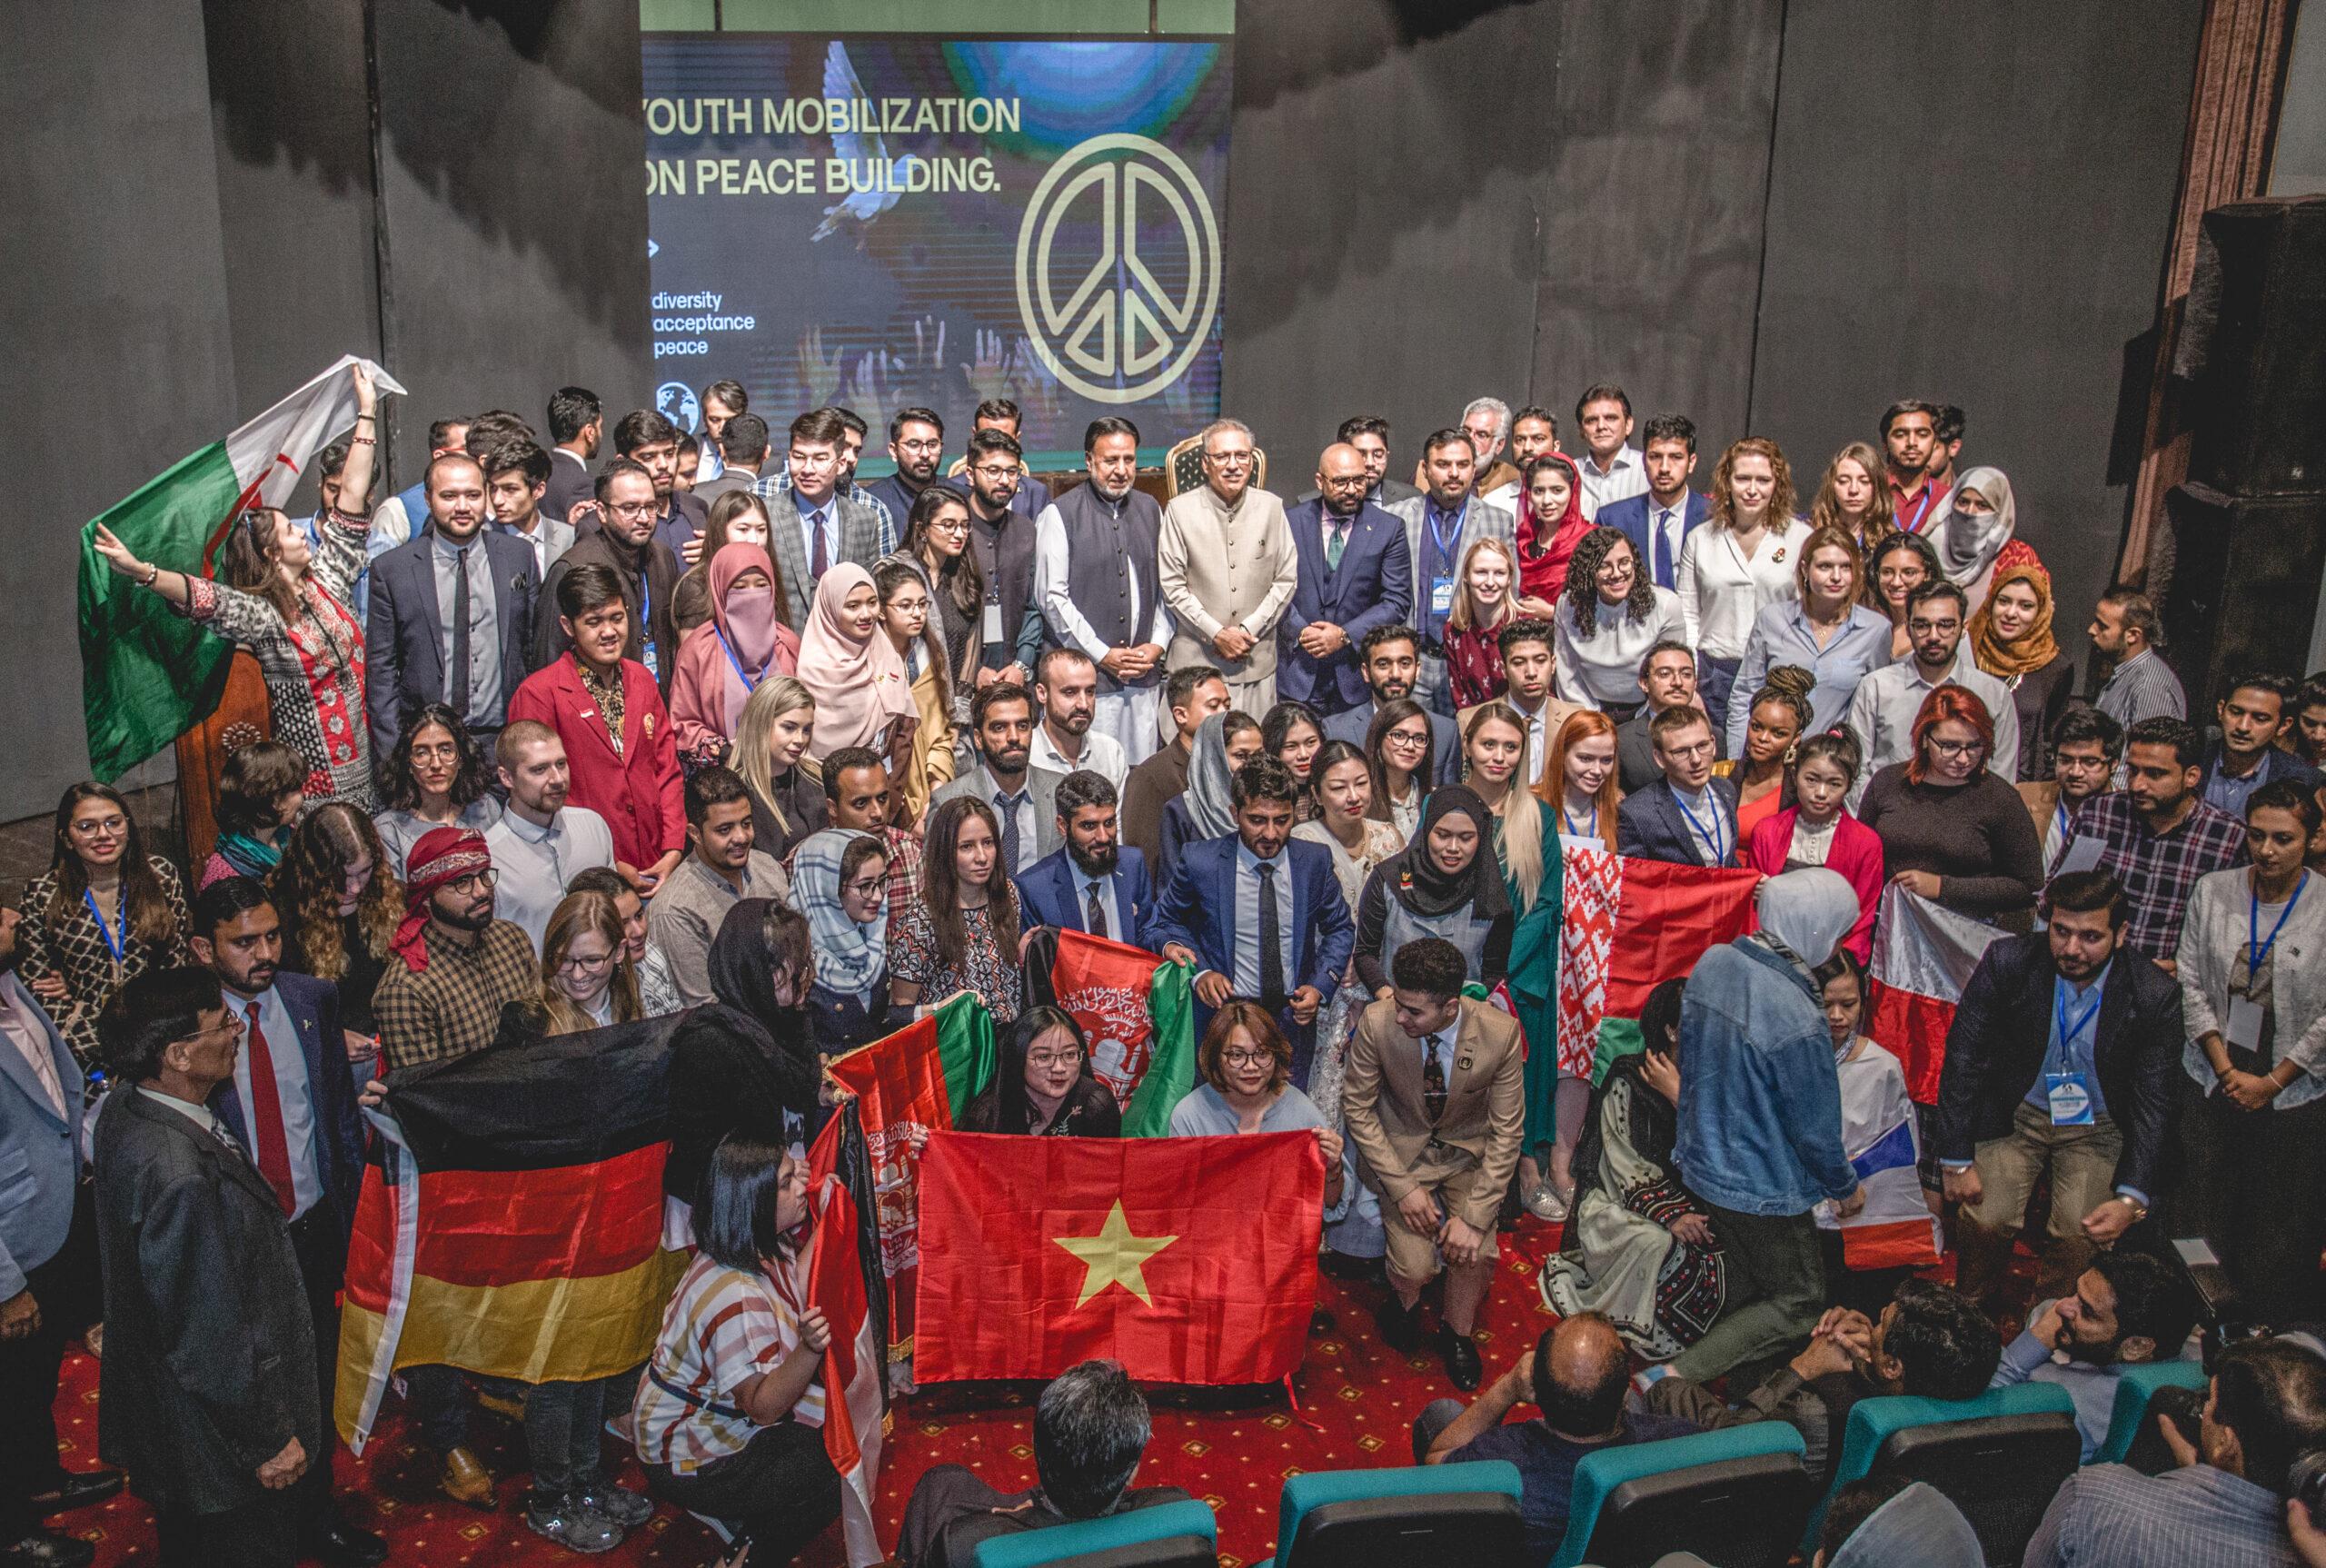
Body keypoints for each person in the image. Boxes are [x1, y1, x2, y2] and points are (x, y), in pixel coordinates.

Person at [89, 969, 323, 1568]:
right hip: (214, 1443)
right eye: (222, 1023)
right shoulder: (179, 1174)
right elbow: (207, 1332)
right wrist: (268, 1439)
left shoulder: (126, 1105)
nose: (237, 1028)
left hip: (172, 1420)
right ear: (179, 1055)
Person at [185, 878, 383, 1568]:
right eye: (244, 942)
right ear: (202, 947)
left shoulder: (311, 1000)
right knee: (249, 1385)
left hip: (312, 1227)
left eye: (272, 936)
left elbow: (333, 1115)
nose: (264, 953)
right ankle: (255, 1526)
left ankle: (316, 1516)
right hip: (236, 1243)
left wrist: (358, 1219)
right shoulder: (189, 1028)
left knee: (318, 1375)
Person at [94, 372, 378, 805]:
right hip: (313, 786)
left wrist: (367, 413)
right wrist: (142, 572)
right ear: (271, 554)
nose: (304, 534)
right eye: (289, 533)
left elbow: (353, 495)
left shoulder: (332, 579)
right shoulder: (265, 618)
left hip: (367, 769)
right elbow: (205, 597)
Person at [1936, 869, 2182, 1307]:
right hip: (2017, 1113)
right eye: (2061, 931)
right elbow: (1964, 1057)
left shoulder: (2152, 993)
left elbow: (2156, 1102)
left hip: (2099, 1125)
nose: (2071, 949)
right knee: (1986, 1217)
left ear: (2120, 934)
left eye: (2090, 937)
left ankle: (2053, 1324)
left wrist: (2131, 1198)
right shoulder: (2007, 962)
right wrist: (1955, 1158)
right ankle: (1966, 1311)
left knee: (2081, 1231)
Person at [1668, 868, 1866, 1384]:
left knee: (1743, 1279)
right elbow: (1815, 1127)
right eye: (1837, 932)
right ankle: (1668, 1381)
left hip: (1701, 1160)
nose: (1836, 944)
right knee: (1798, 1301)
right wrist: (1843, 1185)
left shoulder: (1715, 961)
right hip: (1762, 1184)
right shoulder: (1798, 1015)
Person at [631, 1140, 842, 1559]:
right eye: (786, 1183)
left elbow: (790, 1290)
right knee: (835, 1463)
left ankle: (741, 1511)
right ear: (754, 1202)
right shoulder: (734, 1296)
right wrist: (809, 1349)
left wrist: (826, 1224)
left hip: (705, 1420)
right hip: (687, 1451)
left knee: (838, 1421)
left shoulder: (754, 1244)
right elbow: (763, 1407)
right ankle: (751, 1553)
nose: (802, 1186)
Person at [1341, 937, 1525, 1388]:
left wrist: (1476, 1218)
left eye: (1413, 1011)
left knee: (1476, 1252)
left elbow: (1506, 1133)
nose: (1400, 1016)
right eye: (1398, 1004)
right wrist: (1402, 1188)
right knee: (1414, 1268)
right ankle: (1403, 1301)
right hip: (1402, 1155)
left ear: (1449, 1007)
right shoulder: (1377, 1023)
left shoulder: (1500, 1034)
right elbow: (1358, 1109)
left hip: (1467, 1156)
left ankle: (1457, 1332)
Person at [2175, 781, 2326, 1323]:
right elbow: (2191, 981)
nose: (2266, 850)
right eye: (2256, 835)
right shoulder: (2214, 890)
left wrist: (2274, 1081)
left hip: (2292, 1086)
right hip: (2216, 1070)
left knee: (2277, 1217)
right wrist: (2225, 1068)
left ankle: (2262, 1326)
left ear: (2311, 838)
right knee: (2205, 1205)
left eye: (2283, 838)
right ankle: (2200, 1316)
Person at [1641, 1279, 2003, 1494]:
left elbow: (1733, 1443)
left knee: (1672, 1392)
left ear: (1894, 1366)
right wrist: (1871, 1357)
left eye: (1880, 1323)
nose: (1871, 1327)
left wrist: (1802, 1367)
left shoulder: (1813, 1410)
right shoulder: (1963, 1377)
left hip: (1765, 1492)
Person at [0, 905, 115, 1568]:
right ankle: (13, 1531)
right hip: (14, 1245)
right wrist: (6, 1287)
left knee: (37, 1379)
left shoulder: (15, 987)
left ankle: (41, 1480)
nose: (14, 914)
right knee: (8, 1393)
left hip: (58, 1214)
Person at [1411, 1313, 1701, 1563]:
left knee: (1443, 1412)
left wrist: (1508, 1387)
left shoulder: (1502, 1457)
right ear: (1626, 1392)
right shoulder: (1679, 1440)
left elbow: (1436, 1461)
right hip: (1623, 1548)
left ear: (1535, 1391)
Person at [1540, 979, 1725, 1359]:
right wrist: (1672, 1214)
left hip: (1709, 1200)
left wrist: (1679, 1098)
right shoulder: (1631, 1078)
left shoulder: (1721, 1079)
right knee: (1657, 1244)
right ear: (1672, 1030)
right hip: (1620, 1200)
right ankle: (1617, 1350)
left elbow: (1726, 1151)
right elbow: (1623, 1162)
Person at [2024, 1335, 2326, 1568]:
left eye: (2209, 1400)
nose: (2203, 1409)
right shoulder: (2312, 1553)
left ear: (2226, 1444)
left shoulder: (2093, 1497)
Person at [1151, 758, 1356, 1087]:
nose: (1270, 833)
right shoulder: (1200, 861)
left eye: (1282, 820)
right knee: (1223, 1129)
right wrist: (1200, 971)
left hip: (1292, 1019)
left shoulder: (1314, 861)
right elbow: (1162, 921)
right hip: (1222, 1019)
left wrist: (1320, 985)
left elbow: (1340, 928)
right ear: (1235, 814)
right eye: (1257, 820)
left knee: (1284, 1128)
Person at [897, 1359, 1193, 1568]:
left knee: (943, 1482)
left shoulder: (964, 1544)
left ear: (1036, 1451)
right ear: (1133, 1471)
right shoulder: (1180, 1516)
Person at [508, 564, 687, 896]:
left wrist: (674, 847)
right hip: (585, 870)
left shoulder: (642, 680)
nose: (609, 631)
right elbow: (542, 794)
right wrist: (609, 860)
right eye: (594, 622)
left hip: (657, 861)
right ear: (568, 626)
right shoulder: (539, 693)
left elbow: (667, 770)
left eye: (617, 618)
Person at [1295, 740, 1405, 1246]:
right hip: (1329, 994)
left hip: (1383, 990)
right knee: (1330, 1106)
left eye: (1361, 783)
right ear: (1316, 794)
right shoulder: (1303, 840)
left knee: (1382, 1108)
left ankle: (1371, 1233)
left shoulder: (1389, 836)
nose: (1353, 796)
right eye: (1338, 787)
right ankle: (1317, 1230)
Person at [363, 449, 539, 763]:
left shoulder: (518, 556)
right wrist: (392, 756)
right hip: (425, 744)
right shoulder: (392, 570)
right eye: (449, 496)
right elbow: (381, 672)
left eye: (473, 495)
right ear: (428, 499)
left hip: (503, 741)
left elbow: (532, 648)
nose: (462, 506)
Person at [1462, 703, 1565, 1196]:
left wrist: (1500, 970)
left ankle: (1528, 1166)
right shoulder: (1445, 805)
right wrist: (1472, 970)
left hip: (1520, 970)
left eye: (1511, 747)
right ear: (1468, 747)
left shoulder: (1537, 814)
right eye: (1489, 744)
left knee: (1521, 1078)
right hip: (1461, 967)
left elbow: (1546, 903)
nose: (1499, 756)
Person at [1031, 416, 1171, 764]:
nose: (1121, 470)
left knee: (1139, 776)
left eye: (1129, 460)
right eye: (1111, 460)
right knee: (1092, 775)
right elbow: (1052, 598)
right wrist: (1100, 653)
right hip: (1090, 683)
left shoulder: (1151, 508)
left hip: (1144, 677)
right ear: (1089, 461)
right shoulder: (1059, 514)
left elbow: (1167, 587)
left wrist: (1157, 644)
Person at [18, 781, 190, 1063]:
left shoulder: (161, 877)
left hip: (157, 1040)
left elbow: (174, 971)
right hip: (85, 1052)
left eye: (114, 823)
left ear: (128, 827)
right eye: (87, 827)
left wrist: (150, 1037)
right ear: (66, 838)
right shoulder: (42, 894)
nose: (104, 835)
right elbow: (41, 991)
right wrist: (103, 1043)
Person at [664, 903, 820, 1208]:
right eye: (801, 963)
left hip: (782, 1201)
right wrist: (775, 1170)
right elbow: (707, 1159)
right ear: (774, 976)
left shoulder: (786, 1020)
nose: (809, 973)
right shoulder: (708, 1045)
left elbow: (801, 1085)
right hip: (730, 1217)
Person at [1991, 1249, 2202, 1461]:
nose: (2061, 1307)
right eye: (2075, 1293)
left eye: (2087, 1312)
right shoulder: (2196, 1357)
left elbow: (1978, 1414)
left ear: (2137, 1346)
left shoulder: (2072, 1401)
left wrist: (2038, 1338)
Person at [1857, 684, 2043, 920]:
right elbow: (1860, 856)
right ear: (1925, 739)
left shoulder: (1999, 798)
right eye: (1949, 746)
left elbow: (2028, 886)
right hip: (1889, 925)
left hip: (1962, 932)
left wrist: (1941, 887)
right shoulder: (1888, 783)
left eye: (1975, 746)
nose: (1964, 758)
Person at [2075, 716, 2251, 967]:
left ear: (2191, 777)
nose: (2137, 785)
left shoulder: (2227, 837)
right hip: (2096, 967)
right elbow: (2059, 891)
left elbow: (2237, 928)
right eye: (2133, 770)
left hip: (2170, 980)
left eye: (2155, 774)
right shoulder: (2098, 815)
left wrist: (2187, 971)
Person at [1159, 418, 1297, 716]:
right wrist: (1217, 633)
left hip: (1255, 663)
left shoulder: (1272, 508)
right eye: (1222, 457)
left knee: (1253, 757)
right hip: (1195, 665)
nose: (1233, 465)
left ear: (1252, 461)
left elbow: (1286, 580)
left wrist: (1248, 630)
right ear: (1206, 464)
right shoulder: (1179, 511)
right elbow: (1172, 586)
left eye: (1241, 456)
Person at [373, 826, 538, 1075]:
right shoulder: (406, 989)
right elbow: (424, 1097)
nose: (482, 891)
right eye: (462, 882)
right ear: (427, 898)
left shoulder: (512, 939)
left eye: (484, 875)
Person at [1810, 950, 1923, 1314]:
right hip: (1799, 1208)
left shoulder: (1882, 1066)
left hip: (1861, 1207)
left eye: (1849, 1003)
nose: (1837, 1017)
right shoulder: (1786, 1060)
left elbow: (1903, 1149)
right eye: (1826, 1004)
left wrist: (1850, 1180)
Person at [1843, 579, 2022, 805]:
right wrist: (1873, 821)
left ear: (1964, 628)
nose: (1934, 636)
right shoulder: (1876, 687)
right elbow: (1855, 769)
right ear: (1908, 627)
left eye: (1945, 625)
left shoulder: (1993, 694)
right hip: (1888, 823)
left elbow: (2001, 779)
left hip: (1964, 825)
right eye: (1922, 625)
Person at [1676, 436, 1810, 732]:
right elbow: (1687, 614)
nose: (1752, 489)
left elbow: (1807, 613)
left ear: (1777, 484)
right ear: (1727, 482)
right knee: (1718, 763)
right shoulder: (1701, 537)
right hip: (1715, 673)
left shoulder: (1799, 537)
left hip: (1777, 671)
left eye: (1763, 480)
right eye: (1742, 478)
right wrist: (1691, 679)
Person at [1727, 526, 1891, 756]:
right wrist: (1737, 761)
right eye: (1825, 566)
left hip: (1830, 765)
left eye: (1846, 567)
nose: (1836, 577)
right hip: (1768, 761)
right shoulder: (1772, 619)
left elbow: (1875, 709)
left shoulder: (1875, 630)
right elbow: (1745, 694)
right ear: (1805, 568)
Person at [1387, 428, 1520, 712]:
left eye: (1462, 465)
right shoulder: (1397, 516)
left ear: (1474, 468)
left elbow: (1511, 593)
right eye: (1443, 465)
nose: (1454, 473)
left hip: (1467, 660)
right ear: (1425, 468)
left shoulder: (1498, 520)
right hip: (1414, 659)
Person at [1277, 441, 1413, 717]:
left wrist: (1345, 635)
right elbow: (1272, 587)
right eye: (1340, 482)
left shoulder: (1389, 528)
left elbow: (1396, 601)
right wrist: (1301, 631)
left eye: (1358, 480)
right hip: (1298, 673)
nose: (1351, 490)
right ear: (1320, 480)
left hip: (1354, 676)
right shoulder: (1290, 521)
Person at [1167, 1003, 1346, 1204]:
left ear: (1276, 1055)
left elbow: (1330, 1203)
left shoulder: (1301, 1111)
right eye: (1236, 1055)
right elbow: (1179, 1204)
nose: (1251, 1067)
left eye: (1262, 1054)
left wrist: (1334, 1169)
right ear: (1216, 1056)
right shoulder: (1189, 1114)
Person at [534, 458, 682, 697]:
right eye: (630, 508)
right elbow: (549, 660)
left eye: (650, 507)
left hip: (655, 702)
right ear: (602, 512)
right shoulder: (573, 566)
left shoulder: (662, 556)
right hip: (597, 708)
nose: (644, 518)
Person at [1351, 787, 1515, 997]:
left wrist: (1473, 1003)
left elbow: (1495, 972)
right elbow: (1366, 952)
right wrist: (1385, 994)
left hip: (1461, 1018)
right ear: (1427, 830)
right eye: (1443, 835)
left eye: (1466, 837)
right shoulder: (1389, 879)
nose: (1453, 847)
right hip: (1395, 1012)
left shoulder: (1489, 892)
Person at [649, 766, 789, 1007]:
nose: (742, 837)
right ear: (695, 834)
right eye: (725, 830)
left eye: (746, 823)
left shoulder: (767, 867)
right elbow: (703, 1007)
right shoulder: (675, 910)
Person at [270, 802, 400, 1056]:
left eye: (364, 872)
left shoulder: (385, 895)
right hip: (321, 1052)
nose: (355, 888)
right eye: (340, 878)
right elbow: (278, 1010)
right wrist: (331, 1037)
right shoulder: (282, 916)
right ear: (313, 871)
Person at [1747, 729, 1884, 962]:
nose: (1821, 793)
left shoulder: (1865, 843)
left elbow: (1862, 918)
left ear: (1849, 785)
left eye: (1834, 784)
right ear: (1794, 775)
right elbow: (1752, 910)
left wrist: (1839, 966)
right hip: (1770, 955)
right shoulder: (1767, 831)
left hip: (1834, 960)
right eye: (1811, 780)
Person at [481, 720, 615, 952]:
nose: (557, 779)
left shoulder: (593, 826)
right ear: (506, 777)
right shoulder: (490, 857)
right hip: (533, 985)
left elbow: (614, 912)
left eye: (561, 764)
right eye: (539, 769)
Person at [890, 797, 1024, 1025]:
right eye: (967, 846)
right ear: (946, 852)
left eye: (988, 843)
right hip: (956, 1050)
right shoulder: (920, 921)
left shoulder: (1008, 894)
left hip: (1010, 1044)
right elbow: (899, 1015)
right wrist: (944, 1008)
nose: (982, 857)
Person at [669, 541, 800, 767]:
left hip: (783, 774)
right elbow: (682, 725)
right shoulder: (699, 649)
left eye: (761, 585)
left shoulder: (788, 644)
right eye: (739, 587)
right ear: (720, 590)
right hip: (723, 780)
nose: (752, 595)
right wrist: (728, 752)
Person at [755, 409, 888, 629]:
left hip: (846, 652)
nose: (807, 469)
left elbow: (871, 593)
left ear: (841, 464)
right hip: (782, 651)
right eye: (798, 457)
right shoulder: (765, 516)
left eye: (820, 458)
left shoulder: (865, 520)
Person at [934, 681, 1064, 878]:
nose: (1013, 737)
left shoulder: (1060, 792)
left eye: (1022, 725)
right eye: (999, 727)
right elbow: (937, 882)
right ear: (978, 738)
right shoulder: (947, 801)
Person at [1554, 526, 1685, 715]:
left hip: (1649, 710)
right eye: (1604, 565)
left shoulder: (1666, 605)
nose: (1616, 573)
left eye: (1624, 562)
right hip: (1588, 710)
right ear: (1588, 570)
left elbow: (1671, 674)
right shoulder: (1568, 605)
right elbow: (1567, 674)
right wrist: (1591, 718)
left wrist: (1646, 719)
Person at [955, 427, 1047, 690]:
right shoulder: (953, 530)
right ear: (970, 475)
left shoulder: (1026, 530)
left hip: (1016, 675)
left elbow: (1035, 606)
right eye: (993, 471)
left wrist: (1022, 665)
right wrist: (972, 669)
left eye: (1011, 471)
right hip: (960, 675)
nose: (1004, 480)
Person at [1966, 561, 2076, 781]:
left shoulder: (2055, 667)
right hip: (1958, 773)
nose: (2010, 613)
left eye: (2025, 606)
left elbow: (2049, 737)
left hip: (2017, 783)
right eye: (2004, 601)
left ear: (2041, 612)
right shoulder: (1968, 648)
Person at [1014, 770, 1152, 943]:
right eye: (1089, 826)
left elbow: (1148, 929)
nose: (1103, 837)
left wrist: (1167, 946)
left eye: (1109, 823)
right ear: (1063, 826)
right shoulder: (1035, 888)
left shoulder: (1132, 864)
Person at [790, 829, 892, 1058]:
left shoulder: (872, 934)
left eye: (883, 882)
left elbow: (881, 1021)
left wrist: (935, 1009)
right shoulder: (795, 958)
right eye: (865, 886)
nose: (878, 896)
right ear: (827, 888)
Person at [1321, 623, 1464, 784]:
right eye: (1383, 664)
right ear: (1366, 672)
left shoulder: (1445, 732)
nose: (1395, 674)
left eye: (1405, 664)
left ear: (1417, 671)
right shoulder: (1336, 731)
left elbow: (1451, 801)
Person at [1119, 667, 1233, 868]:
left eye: (1227, 704)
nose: (1224, 714)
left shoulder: (1230, 767)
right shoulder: (1151, 776)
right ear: (1180, 715)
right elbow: (1144, 856)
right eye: (1213, 706)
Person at [371, 703, 501, 878]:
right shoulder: (389, 831)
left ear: (461, 758)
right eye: (422, 753)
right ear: (408, 763)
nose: (436, 764)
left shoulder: (486, 808)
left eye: (446, 750)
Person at [875, 558, 958, 822]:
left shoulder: (928, 656)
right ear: (881, 611)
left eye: (923, 604)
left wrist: (936, 795)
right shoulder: (869, 662)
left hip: (928, 789)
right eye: (905, 605)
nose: (917, 613)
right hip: (883, 791)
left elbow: (939, 735)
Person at [896, 485, 985, 727]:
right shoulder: (896, 574)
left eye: (965, 525)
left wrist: (958, 716)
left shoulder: (965, 579)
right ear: (922, 529)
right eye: (948, 525)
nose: (959, 534)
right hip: (905, 709)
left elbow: (970, 654)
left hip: (951, 716)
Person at [808, 747, 926, 929]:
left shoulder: (910, 854)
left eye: (882, 799)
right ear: (832, 807)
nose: (878, 813)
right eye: (861, 803)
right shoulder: (808, 862)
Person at [959, 1006, 1119, 1136]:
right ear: (1019, 1058)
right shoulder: (989, 1112)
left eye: (1070, 1055)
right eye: (1044, 1057)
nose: (1059, 1068)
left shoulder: (1096, 1104)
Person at [1443, 539, 1558, 710]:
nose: (1490, 582)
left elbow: (1541, 693)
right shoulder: (1454, 631)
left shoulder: (1528, 625)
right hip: (1477, 725)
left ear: (1510, 579)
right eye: (1481, 572)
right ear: (1466, 575)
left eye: (1499, 573)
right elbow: (1460, 700)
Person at [1598, 413, 1709, 591]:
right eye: (1655, 457)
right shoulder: (1613, 519)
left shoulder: (1714, 516)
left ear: (1691, 462)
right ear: (1643, 461)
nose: (1664, 468)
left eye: (1676, 457)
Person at [1619, 705, 1741, 867]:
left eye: (1702, 745)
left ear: (1713, 744)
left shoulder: (1726, 789)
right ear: (1659, 758)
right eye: (1681, 752)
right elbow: (1635, 882)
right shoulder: (1636, 814)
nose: (1696, 759)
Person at [731, 676, 828, 865]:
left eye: (806, 729)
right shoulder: (735, 794)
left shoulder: (817, 776)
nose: (800, 739)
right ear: (761, 723)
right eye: (789, 728)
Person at [564, 866, 682, 1019]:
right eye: (622, 924)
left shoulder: (651, 956)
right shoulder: (582, 991)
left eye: (639, 915)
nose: (639, 932)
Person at [1716, 666, 1815, 849]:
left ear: (1795, 739)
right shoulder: (1719, 773)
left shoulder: (1800, 790)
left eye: (1778, 733)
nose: (1762, 738)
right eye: (1756, 727)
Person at [2202, 672, 2324, 817]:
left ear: (2283, 726)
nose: (2243, 727)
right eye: (2235, 712)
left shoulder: (2305, 779)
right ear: (2221, 710)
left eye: (2260, 719)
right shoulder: (2191, 755)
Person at [1927, 466, 2040, 621]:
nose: (1970, 512)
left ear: (2000, 511)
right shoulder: (1927, 549)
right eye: (1963, 502)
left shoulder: (2018, 557)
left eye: (1982, 505)